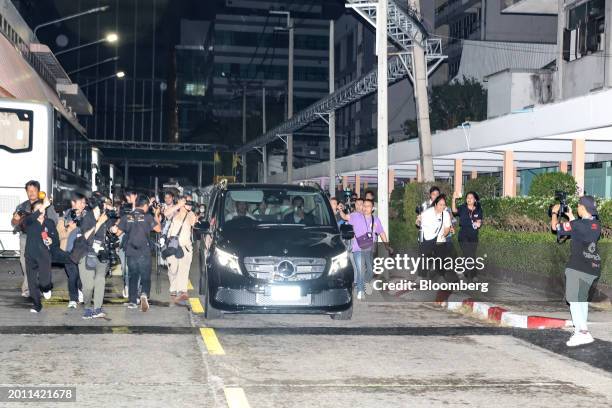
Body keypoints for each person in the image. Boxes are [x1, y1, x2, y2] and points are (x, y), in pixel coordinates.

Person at [551, 196, 601, 347]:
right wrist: (571, 215)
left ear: (582, 208)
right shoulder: (595, 224)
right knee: (581, 300)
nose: (577, 207)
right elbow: (579, 227)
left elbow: (555, 228)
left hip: (577, 266)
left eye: (579, 205)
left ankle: (582, 333)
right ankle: (583, 331)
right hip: (592, 267)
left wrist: (554, 213)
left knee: (574, 300)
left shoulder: (577, 225)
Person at [112, 194, 161, 311]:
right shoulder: (148, 217)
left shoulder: (127, 217)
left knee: (133, 276)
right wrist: (156, 214)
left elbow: (117, 233)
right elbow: (159, 229)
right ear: (144, 206)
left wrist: (114, 228)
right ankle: (144, 294)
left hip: (131, 252)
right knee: (145, 276)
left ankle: (133, 301)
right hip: (144, 252)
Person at [10, 180, 58, 297]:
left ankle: (43, 287)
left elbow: (54, 221)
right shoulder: (22, 206)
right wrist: (16, 219)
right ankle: (27, 288)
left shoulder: (46, 205)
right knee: (25, 263)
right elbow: (14, 223)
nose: (31, 193)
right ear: (26, 192)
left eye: (34, 190)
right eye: (29, 191)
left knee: (43, 263)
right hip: (25, 237)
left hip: (42, 237)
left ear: (38, 191)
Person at [77, 194, 116, 319]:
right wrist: (99, 223)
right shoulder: (86, 217)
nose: (108, 205)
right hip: (86, 252)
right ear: (99, 204)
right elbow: (85, 238)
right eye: (105, 203)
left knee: (100, 280)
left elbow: (111, 229)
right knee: (88, 286)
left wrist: (115, 228)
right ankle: (88, 307)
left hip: (101, 253)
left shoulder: (106, 216)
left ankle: (97, 308)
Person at [349, 199, 391, 300]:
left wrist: (387, 245)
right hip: (357, 248)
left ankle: (365, 282)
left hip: (369, 248)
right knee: (360, 269)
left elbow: (381, 232)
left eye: (368, 206)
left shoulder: (375, 220)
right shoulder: (355, 216)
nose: (365, 207)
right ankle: (360, 291)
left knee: (371, 271)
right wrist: (340, 210)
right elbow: (346, 218)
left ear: (372, 209)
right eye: (364, 205)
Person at [22, 197, 56, 313]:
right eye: (38, 209)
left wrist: (52, 241)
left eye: (43, 209)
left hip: (44, 255)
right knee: (32, 283)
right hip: (30, 256)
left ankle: (46, 288)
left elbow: (56, 240)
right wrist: (42, 206)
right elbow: (27, 221)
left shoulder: (49, 223)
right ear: (33, 211)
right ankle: (37, 305)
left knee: (44, 283)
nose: (42, 211)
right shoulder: (29, 221)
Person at [56, 192, 87, 308]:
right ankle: (73, 299)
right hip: (67, 251)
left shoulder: (87, 215)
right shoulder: (64, 216)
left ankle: (80, 290)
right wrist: (69, 228)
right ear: (73, 203)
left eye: (84, 202)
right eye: (81, 202)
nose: (83, 205)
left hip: (82, 252)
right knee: (73, 276)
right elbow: (59, 234)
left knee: (80, 276)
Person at [166, 197, 197, 305]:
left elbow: (194, 223)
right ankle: (173, 288)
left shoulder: (191, 214)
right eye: (187, 202)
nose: (189, 204)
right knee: (173, 269)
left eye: (190, 202)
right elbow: (166, 213)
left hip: (186, 247)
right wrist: (179, 205)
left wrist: (193, 213)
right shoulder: (175, 211)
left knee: (183, 270)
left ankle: (182, 292)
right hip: (173, 246)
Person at [417, 194, 452, 278]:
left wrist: (444, 234)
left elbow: (447, 228)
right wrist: (418, 220)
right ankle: (420, 276)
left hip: (439, 240)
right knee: (424, 257)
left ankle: (441, 276)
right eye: (440, 204)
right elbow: (418, 223)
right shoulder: (427, 213)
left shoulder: (446, 214)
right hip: (427, 239)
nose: (442, 207)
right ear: (435, 204)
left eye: (444, 205)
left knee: (440, 259)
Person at [452, 191, 483, 279]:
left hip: (473, 235)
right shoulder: (462, 208)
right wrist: (454, 198)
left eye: (471, 197)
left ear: (475, 200)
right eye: (467, 198)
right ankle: (473, 275)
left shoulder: (478, 209)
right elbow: (454, 211)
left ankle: (466, 271)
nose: (469, 199)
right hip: (463, 235)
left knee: (471, 254)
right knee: (469, 254)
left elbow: (479, 220)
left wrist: (479, 223)